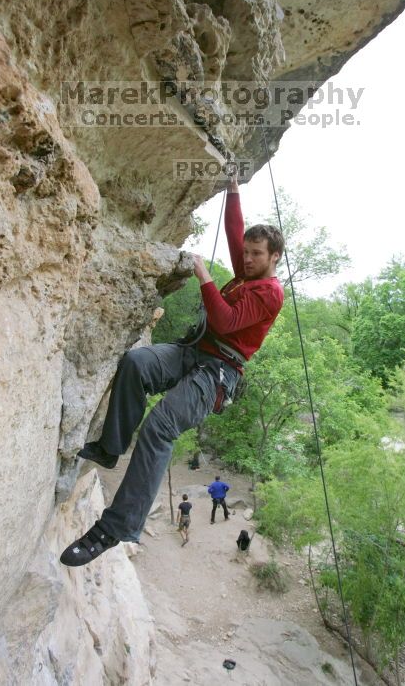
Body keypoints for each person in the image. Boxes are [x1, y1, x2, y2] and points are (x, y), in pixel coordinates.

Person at [60, 170, 285, 567]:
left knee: (160, 427)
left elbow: (227, 322)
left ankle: (115, 528)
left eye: (256, 255)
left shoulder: (269, 292)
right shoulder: (249, 269)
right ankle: (112, 447)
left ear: (274, 258)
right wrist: (233, 191)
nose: (247, 259)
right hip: (193, 352)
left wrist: (204, 278)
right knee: (136, 362)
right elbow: (235, 233)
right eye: (246, 253)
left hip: (218, 373)